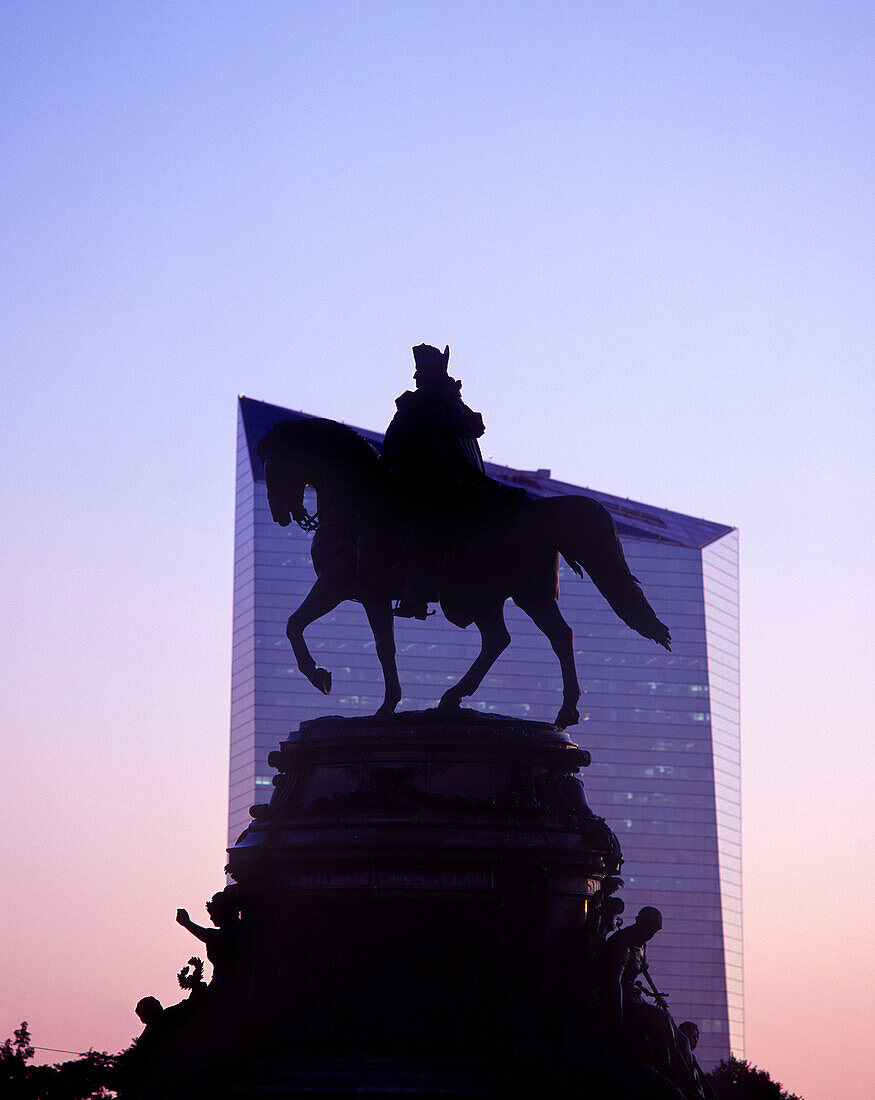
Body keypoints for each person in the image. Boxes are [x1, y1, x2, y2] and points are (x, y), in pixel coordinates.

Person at [380, 343, 520, 618]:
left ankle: (416, 595)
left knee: (414, 528)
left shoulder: (416, 406)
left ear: (423, 375)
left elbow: (391, 449)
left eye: (421, 375)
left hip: (438, 488)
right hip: (469, 483)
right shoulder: (454, 403)